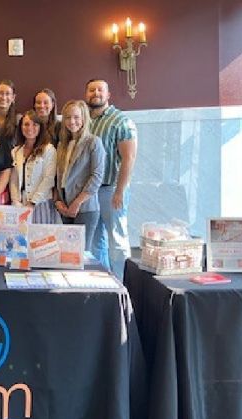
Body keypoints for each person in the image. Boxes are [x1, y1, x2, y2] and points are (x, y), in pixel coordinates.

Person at [85, 79, 138, 277]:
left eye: (100, 90)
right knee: (97, 239)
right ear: (86, 94)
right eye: (91, 90)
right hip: (91, 191)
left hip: (111, 189)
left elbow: (129, 157)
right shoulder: (86, 121)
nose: (95, 93)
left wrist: (120, 190)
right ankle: (105, 282)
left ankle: (124, 285)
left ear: (108, 95)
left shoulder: (121, 121)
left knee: (117, 238)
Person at [54, 100, 105, 251]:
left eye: (76, 117)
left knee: (81, 254)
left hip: (85, 208)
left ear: (84, 119)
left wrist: (77, 203)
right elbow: (58, 177)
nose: (72, 121)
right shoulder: (62, 145)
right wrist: (58, 201)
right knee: (67, 253)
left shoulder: (93, 142)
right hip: (64, 207)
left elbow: (96, 176)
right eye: (68, 117)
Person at [9, 110, 59, 224]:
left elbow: (49, 179)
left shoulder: (49, 150)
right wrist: (15, 201)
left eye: (34, 124)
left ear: (40, 127)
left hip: (41, 203)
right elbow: (13, 179)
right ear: (21, 127)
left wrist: (32, 203)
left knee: (41, 240)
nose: (30, 127)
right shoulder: (16, 151)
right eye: (26, 124)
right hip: (20, 205)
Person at [0, 79, 18, 144]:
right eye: (1, 93)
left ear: (13, 98)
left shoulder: (19, 120)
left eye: (7, 94)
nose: (3, 97)